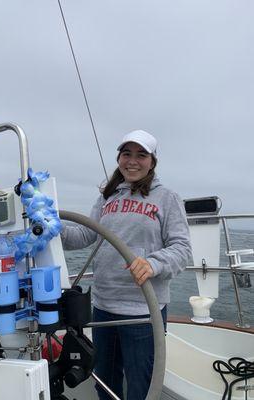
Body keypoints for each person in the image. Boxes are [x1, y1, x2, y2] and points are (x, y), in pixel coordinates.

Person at [61, 130, 192, 400]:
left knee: (140, 388)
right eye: (126, 154)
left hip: (143, 311)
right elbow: (84, 235)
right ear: (119, 158)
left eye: (141, 155)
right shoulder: (106, 198)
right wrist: (52, 226)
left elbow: (182, 250)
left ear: (152, 161)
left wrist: (153, 264)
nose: (132, 161)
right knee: (103, 382)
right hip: (103, 307)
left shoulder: (167, 198)